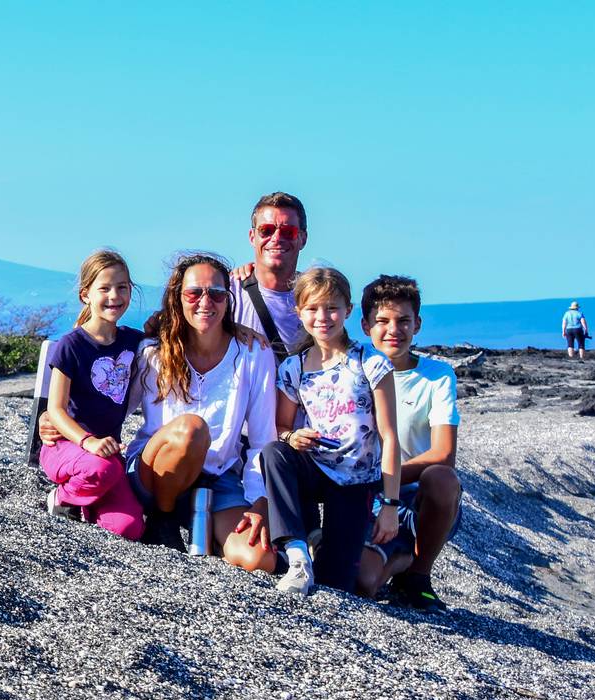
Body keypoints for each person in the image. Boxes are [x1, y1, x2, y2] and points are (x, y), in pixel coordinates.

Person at [122, 253, 279, 563]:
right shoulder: (153, 351)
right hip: (155, 472)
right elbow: (116, 409)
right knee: (191, 429)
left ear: (228, 299)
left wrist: (260, 502)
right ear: (177, 298)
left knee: (257, 560)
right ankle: (163, 521)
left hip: (217, 478)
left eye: (216, 293)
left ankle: (208, 531)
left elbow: (262, 439)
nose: (205, 302)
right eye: (194, 293)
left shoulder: (253, 353)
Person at [261, 267, 402, 597]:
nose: (322, 317)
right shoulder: (293, 368)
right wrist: (291, 437)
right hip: (315, 469)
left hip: (356, 480)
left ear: (348, 311)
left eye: (331, 308)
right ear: (299, 312)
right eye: (312, 308)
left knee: (334, 584)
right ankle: (297, 553)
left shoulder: (371, 362)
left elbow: (390, 435)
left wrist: (391, 505)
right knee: (275, 453)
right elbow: (281, 428)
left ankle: (322, 543)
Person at [355, 276, 463, 610]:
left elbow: (443, 454)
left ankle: (419, 573)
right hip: (366, 493)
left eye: (403, 321)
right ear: (365, 325)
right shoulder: (353, 368)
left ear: (417, 324)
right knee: (362, 582)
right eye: (383, 321)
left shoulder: (438, 375)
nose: (394, 330)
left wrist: (390, 478)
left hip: (415, 491)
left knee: (444, 479)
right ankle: (399, 557)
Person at [38, 249, 147, 541]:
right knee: (103, 470)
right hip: (65, 446)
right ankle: (63, 498)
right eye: (105, 288)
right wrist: (88, 441)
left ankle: (86, 504)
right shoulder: (71, 346)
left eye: (122, 287)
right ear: (86, 294)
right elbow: (56, 410)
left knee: (129, 529)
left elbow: (170, 333)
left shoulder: (132, 340)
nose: (114, 295)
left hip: (107, 454)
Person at [231, 192, 310, 361]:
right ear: (253, 237)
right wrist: (229, 328)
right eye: (266, 230)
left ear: (303, 239)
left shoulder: (316, 297)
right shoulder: (225, 293)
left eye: (288, 231)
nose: (276, 238)